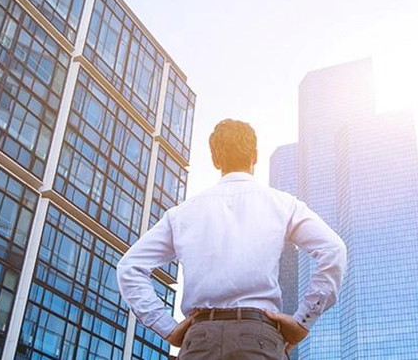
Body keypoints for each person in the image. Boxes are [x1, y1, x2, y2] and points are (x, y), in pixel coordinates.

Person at [116, 119, 347, 359]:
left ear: (215, 159)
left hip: (200, 339)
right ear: (255, 156)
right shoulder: (283, 204)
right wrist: (302, 321)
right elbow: (333, 250)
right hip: (259, 337)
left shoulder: (181, 214)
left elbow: (129, 268)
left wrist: (167, 327)